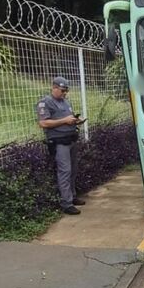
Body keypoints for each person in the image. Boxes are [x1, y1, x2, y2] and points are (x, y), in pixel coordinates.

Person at [36, 77, 85, 214]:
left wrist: (75, 120)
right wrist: (65, 120)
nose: (64, 93)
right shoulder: (45, 103)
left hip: (71, 139)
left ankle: (72, 196)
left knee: (73, 170)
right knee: (65, 171)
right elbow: (43, 123)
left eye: (66, 91)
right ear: (54, 88)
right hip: (59, 142)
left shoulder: (65, 102)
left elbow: (68, 119)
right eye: (63, 91)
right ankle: (66, 203)